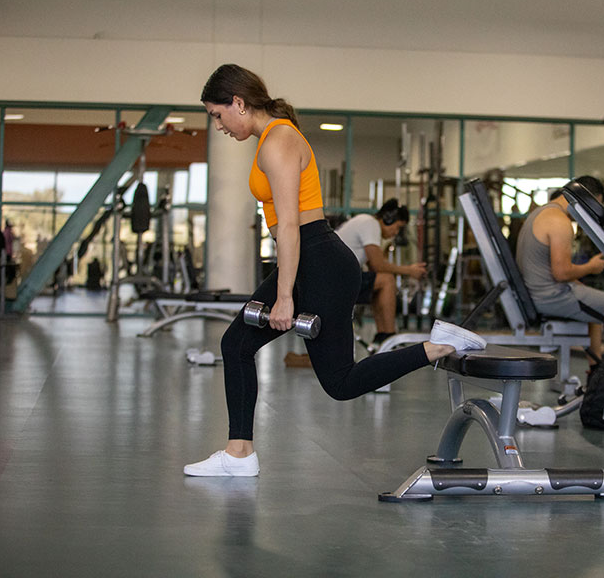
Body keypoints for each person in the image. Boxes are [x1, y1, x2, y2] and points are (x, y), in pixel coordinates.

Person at [185, 64, 487, 477]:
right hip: (313, 258)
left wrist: (286, 296)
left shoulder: (279, 140)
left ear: (238, 102)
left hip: (318, 260)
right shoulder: (274, 137)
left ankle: (438, 347)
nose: (217, 125)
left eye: (217, 114)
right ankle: (240, 454)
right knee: (237, 345)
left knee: (340, 382)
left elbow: (290, 225)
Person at [516, 175, 604, 364]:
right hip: (549, 296)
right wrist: (590, 267)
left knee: (596, 309)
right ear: (585, 199)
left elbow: (550, 269)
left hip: (538, 292)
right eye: (594, 206)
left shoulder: (541, 213)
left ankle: (596, 372)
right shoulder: (560, 222)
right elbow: (561, 273)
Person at [335, 198, 427, 345]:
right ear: (388, 218)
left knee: (380, 281)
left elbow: (374, 267)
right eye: (397, 227)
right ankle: (390, 337)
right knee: (387, 280)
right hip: (336, 281)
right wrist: (409, 270)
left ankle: (382, 335)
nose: (395, 233)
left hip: (337, 278)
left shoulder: (364, 222)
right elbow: (378, 266)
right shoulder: (370, 224)